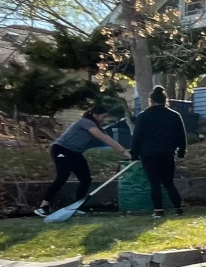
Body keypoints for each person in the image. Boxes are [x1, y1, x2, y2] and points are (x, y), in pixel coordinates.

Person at [34, 105, 131, 217]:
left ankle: (76, 207)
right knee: (62, 176)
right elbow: (105, 139)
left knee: (85, 179)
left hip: (75, 153)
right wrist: (124, 152)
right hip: (61, 149)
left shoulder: (97, 126)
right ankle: (43, 206)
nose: (104, 120)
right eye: (103, 117)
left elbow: (109, 139)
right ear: (95, 115)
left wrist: (129, 152)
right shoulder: (86, 122)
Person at [131, 86, 188, 218]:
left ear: (151, 100)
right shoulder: (174, 116)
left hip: (148, 153)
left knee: (154, 184)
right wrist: (181, 152)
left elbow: (137, 136)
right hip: (167, 152)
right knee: (169, 183)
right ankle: (178, 209)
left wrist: (134, 154)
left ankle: (158, 211)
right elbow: (181, 135)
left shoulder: (144, 116)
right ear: (165, 100)